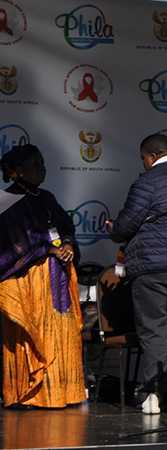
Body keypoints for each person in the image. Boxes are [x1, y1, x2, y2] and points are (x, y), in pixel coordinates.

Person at [106, 134, 167, 414]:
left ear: (152, 156)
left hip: (153, 267)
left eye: (143, 159)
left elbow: (126, 225)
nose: (143, 164)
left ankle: (151, 395)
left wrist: (113, 228)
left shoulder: (147, 182)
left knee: (155, 331)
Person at [0, 144, 86, 408]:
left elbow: (64, 226)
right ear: (17, 171)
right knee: (34, 334)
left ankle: (61, 393)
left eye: (42, 163)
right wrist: (48, 249)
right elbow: (11, 245)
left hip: (55, 277)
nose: (43, 169)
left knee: (60, 332)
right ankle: (29, 393)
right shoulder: (6, 201)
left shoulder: (46, 197)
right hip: (26, 281)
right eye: (36, 165)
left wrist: (68, 243)